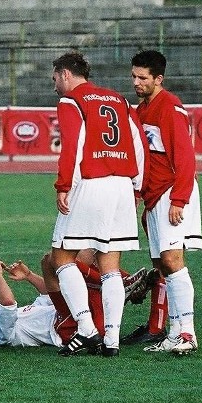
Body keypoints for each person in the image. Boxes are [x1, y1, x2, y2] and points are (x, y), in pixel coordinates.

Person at [49, 52, 146, 357]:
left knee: (60, 256)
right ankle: (112, 340)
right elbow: (138, 140)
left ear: (66, 74)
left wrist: (64, 185)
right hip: (121, 186)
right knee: (110, 265)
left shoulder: (71, 101)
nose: (54, 84)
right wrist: (137, 186)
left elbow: (74, 146)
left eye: (54, 77)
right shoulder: (119, 99)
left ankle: (87, 329)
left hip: (90, 183)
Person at [125, 50, 202, 355]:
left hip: (172, 192)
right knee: (163, 266)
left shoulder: (170, 107)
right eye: (133, 76)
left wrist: (179, 199)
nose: (136, 82)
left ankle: (187, 333)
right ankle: (173, 333)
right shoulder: (141, 111)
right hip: (155, 196)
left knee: (172, 261)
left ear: (159, 79)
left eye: (142, 78)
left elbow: (185, 157)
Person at [0, 252, 152, 348]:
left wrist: (29, 276)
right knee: (52, 260)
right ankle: (122, 285)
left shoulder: (20, 316)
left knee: (82, 254)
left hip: (74, 315)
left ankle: (126, 285)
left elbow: (47, 296)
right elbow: (7, 304)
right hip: (67, 328)